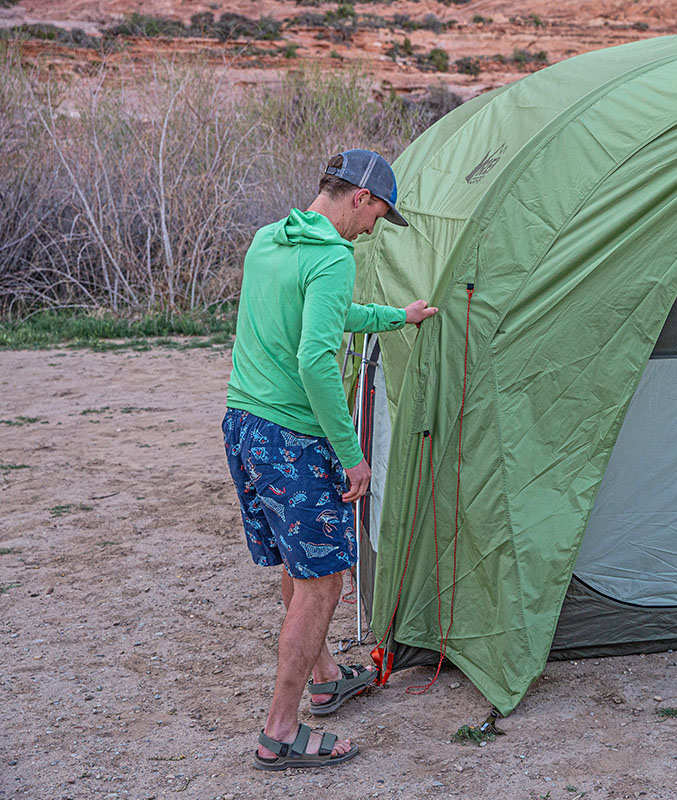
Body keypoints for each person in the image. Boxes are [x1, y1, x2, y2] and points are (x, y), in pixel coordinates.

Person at [221, 149, 437, 771]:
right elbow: (315, 359)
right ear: (360, 199)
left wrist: (398, 316)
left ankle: (321, 680)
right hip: (291, 436)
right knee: (323, 583)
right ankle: (280, 733)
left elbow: (325, 318)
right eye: (378, 217)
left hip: (243, 425)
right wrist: (353, 457)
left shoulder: (270, 241)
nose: (373, 231)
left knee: (296, 563)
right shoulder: (333, 257)